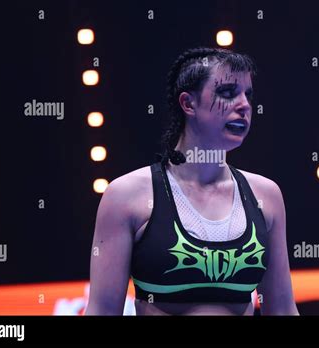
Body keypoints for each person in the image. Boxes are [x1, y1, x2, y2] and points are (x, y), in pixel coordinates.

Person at [85, 47, 299, 316]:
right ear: (188, 104)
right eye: (228, 93)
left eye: (248, 95)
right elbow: (102, 312)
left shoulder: (266, 195)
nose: (244, 105)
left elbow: (282, 311)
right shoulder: (125, 196)